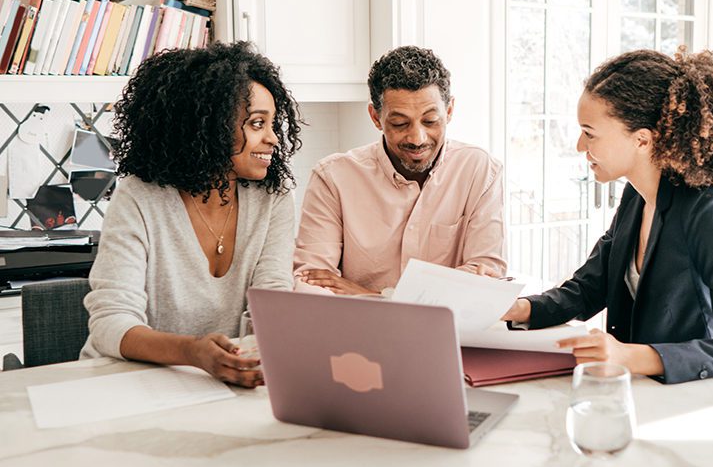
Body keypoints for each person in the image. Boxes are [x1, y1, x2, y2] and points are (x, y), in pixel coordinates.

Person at [504, 48, 713, 387]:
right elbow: (589, 288)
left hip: (699, 398)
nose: (578, 145)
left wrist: (631, 357)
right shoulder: (636, 196)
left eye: (589, 133)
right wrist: (518, 309)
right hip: (644, 392)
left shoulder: (706, 211)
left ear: (642, 140)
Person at [81, 41, 304, 388]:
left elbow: (272, 302)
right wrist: (192, 352)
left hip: (222, 381)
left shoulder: (273, 197)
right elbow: (111, 323)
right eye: (257, 123)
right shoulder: (140, 197)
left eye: (273, 124)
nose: (273, 138)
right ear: (209, 125)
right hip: (129, 383)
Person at [294, 45, 505, 295]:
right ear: (375, 117)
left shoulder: (480, 171)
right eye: (399, 123)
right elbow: (312, 283)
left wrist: (371, 296)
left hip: (448, 333)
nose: (417, 138)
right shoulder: (332, 178)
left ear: (448, 112)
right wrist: (446, 288)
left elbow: (486, 278)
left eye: (430, 121)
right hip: (358, 333)